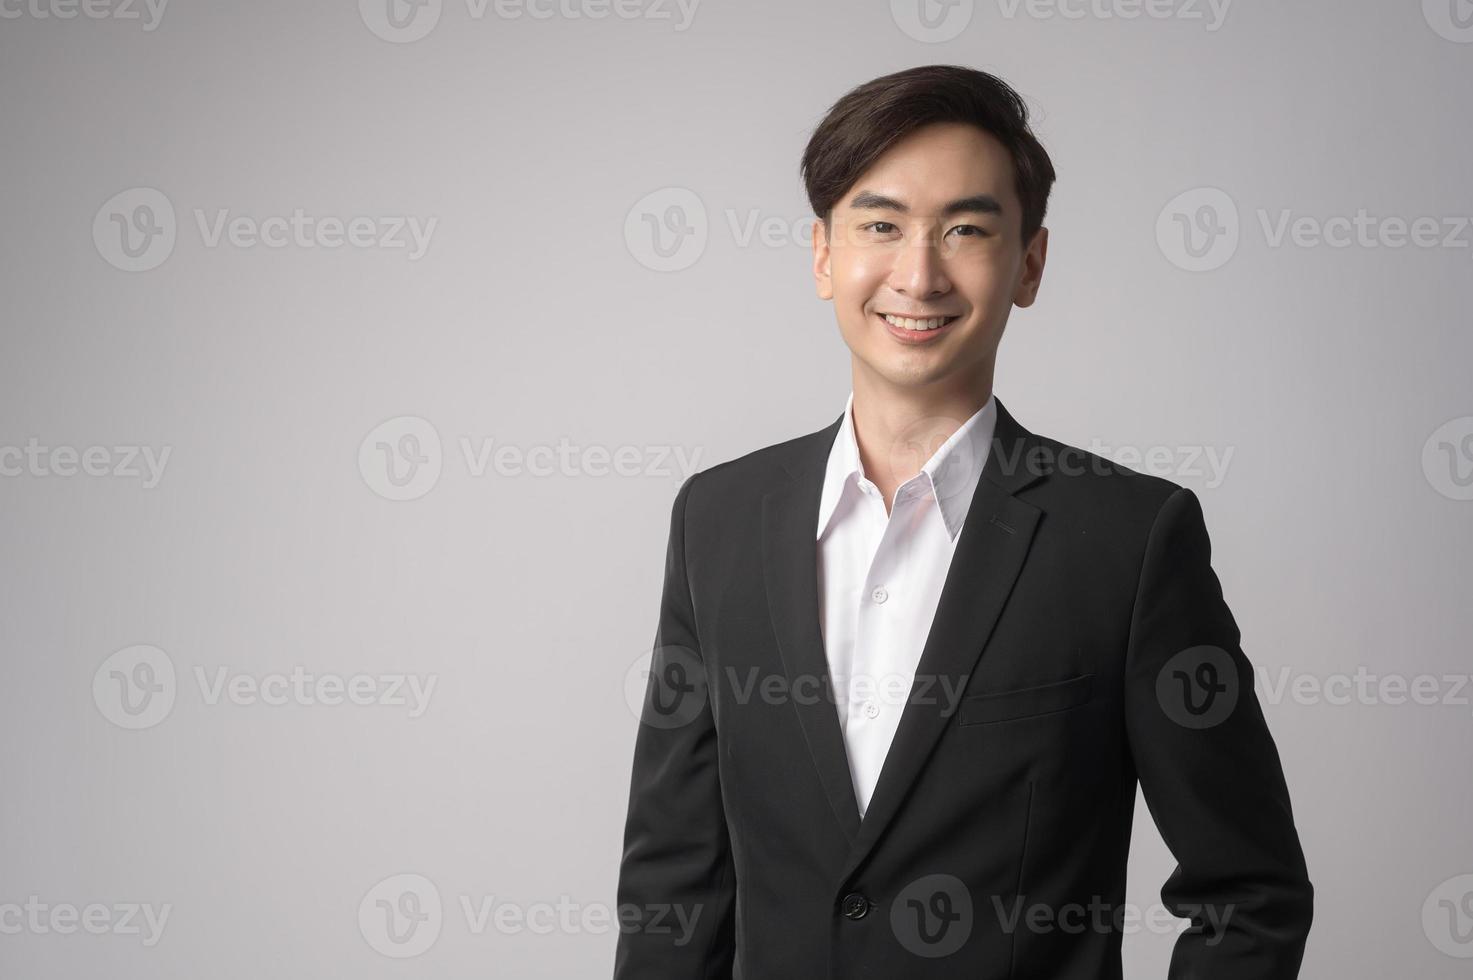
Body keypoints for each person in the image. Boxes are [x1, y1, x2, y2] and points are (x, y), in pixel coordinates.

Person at [613, 63, 1312, 979]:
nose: (918, 272)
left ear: (1028, 263)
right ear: (823, 255)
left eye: (966, 230)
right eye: (879, 225)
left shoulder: (1130, 541)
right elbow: (676, 883)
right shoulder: (719, 517)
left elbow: (1248, 891)